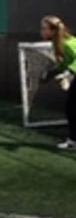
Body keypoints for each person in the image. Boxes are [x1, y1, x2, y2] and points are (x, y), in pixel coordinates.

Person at [40, 14, 76, 149]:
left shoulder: (68, 43)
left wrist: (68, 74)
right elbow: (65, 63)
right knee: (71, 108)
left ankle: (73, 141)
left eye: (44, 29)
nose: (42, 31)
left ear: (53, 30)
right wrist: (51, 73)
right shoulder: (58, 43)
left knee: (72, 108)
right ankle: (73, 140)